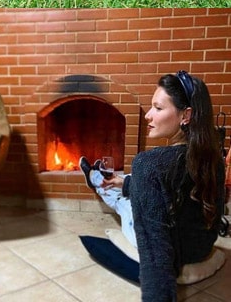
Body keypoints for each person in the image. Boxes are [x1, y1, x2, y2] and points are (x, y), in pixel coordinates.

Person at [80, 71, 225, 301]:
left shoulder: (149, 164)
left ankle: (97, 181)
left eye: (158, 108)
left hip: (176, 249)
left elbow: (156, 253)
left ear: (186, 115)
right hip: (201, 247)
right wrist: (128, 182)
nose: (148, 115)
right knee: (126, 183)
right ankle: (109, 181)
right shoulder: (214, 157)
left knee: (123, 203)